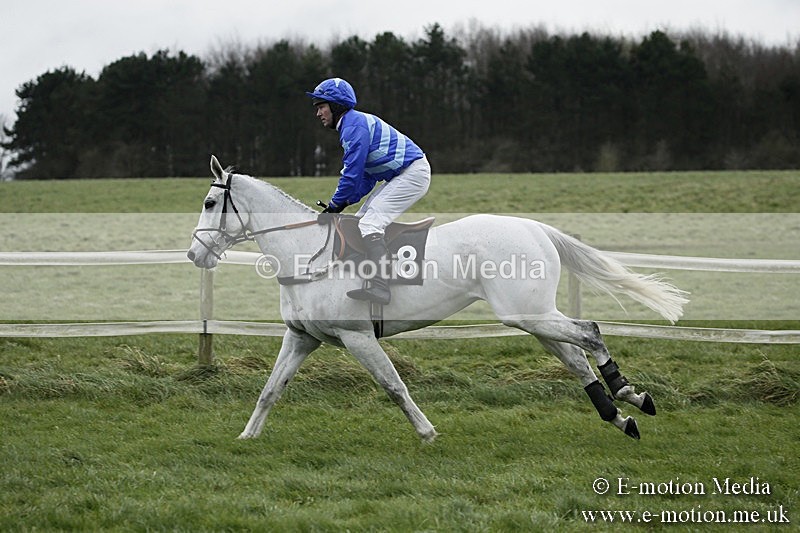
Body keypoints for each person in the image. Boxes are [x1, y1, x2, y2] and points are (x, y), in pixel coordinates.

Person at [306, 77, 431, 305]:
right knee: (360, 221)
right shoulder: (352, 124)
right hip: (401, 174)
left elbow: (351, 174)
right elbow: (365, 178)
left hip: (413, 173)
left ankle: (381, 287)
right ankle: (367, 277)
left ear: (335, 106)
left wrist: (335, 205)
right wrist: (341, 205)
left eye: (321, 106)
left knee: (369, 225)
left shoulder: (353, 127)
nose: (318, 113)